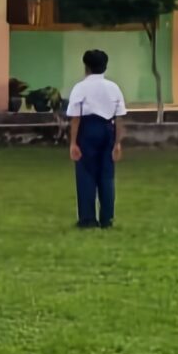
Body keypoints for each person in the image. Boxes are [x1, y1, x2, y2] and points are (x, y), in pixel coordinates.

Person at [64, 48, 127, 229]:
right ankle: (107, 218)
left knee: (85, 174)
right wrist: (117, 142)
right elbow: (119, 117)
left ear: (86, 67)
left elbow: (75, 117)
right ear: (105, 66)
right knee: (107, 176)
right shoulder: (114, 88)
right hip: (108, 128)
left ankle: (87, 219)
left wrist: (73, 142)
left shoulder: (81, 87)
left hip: (88, 129)